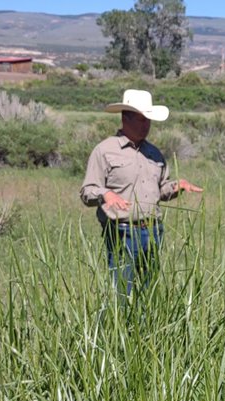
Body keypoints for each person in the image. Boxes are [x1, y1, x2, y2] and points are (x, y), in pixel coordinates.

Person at [80, 89, 201, 297]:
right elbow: (87, 191)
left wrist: (176, 186)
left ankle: (145, 329)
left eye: (148, 120)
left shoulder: (154, 153)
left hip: (153, 232)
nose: (146, 125)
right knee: (121, 294)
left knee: (148, 293)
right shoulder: (105, 150)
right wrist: (106, 194)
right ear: (125, 118)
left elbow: (160, 191)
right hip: (121, 232)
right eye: (141, 119)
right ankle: (117, 329)